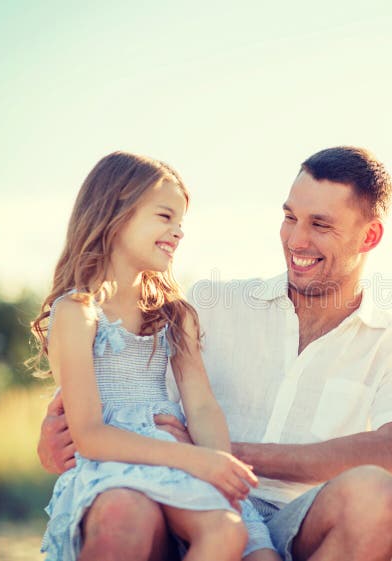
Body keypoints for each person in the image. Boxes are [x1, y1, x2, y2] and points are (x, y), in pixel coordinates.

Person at [38, 146, 392, 561]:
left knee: (376, 494)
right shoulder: (208, 304)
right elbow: (116, 403)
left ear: (369, 236)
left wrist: (220, 458)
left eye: (320, 224)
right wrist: (55, 444)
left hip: (295, 518)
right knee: (124, 513)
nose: (297, 239)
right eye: (289, 217)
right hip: (179, 503)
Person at [31, 151, 280, 561]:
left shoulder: (174, 314)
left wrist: (218, 466)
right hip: (115, 460)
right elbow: (90, 436)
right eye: (165, 217)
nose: (178, 232)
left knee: (231, 533)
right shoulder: (77, 312)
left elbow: (200, 404)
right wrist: (192, 459)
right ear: (117, 210)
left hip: (181, 462)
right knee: (121, 526)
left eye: (181, 223)